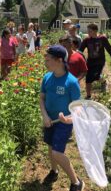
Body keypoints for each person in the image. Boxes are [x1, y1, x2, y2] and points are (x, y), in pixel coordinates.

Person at [40, 45, 85, 191]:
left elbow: (78, 109)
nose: (45, 63)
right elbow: (41, 99)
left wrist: (68, 119)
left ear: (59, 60)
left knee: (57, 152)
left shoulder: (71, 82)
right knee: (50, 147)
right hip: (49, 121)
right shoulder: (47, 77)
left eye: (48, 60)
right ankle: (54, 171)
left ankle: (76, 182)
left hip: (63, 122)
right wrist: (45, 116)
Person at [79, 23, 111, 99]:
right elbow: (80, 50)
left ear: (95, 31)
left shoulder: (102, 38)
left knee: (96, 76)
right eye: (88, 31)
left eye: (90, 31)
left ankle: (103, 81)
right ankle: (88, 96)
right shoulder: (87, 40)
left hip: (100, 62)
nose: (88, 33)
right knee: (88, 79)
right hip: (90, 62)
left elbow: (109, 48)